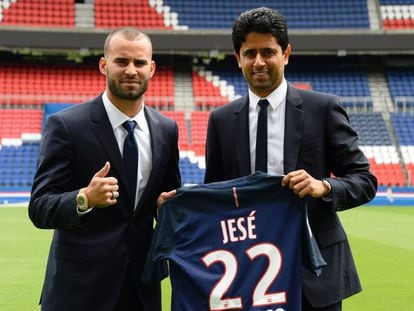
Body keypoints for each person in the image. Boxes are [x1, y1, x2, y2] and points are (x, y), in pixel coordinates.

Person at [204, 7, 377, 311]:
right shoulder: (220, 120)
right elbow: (215, 195)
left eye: (268, 52)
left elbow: (365, 181)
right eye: (250, 53)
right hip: (247, 272)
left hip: (314, 271)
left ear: (286, 54)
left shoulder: (323, 109)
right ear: (238, 57)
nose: (259, 62)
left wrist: (323, 186)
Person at [28, 27, 181, 311]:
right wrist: (84, 198)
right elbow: (39, 207)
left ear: (152, 68)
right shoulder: (67, 126)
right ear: (103, 65)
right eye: (121, 61)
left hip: (142, 289)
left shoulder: (166, 129)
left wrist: (165, 208)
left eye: (139, 63)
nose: (131, 70)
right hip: (80, 291)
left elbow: (168, 201)